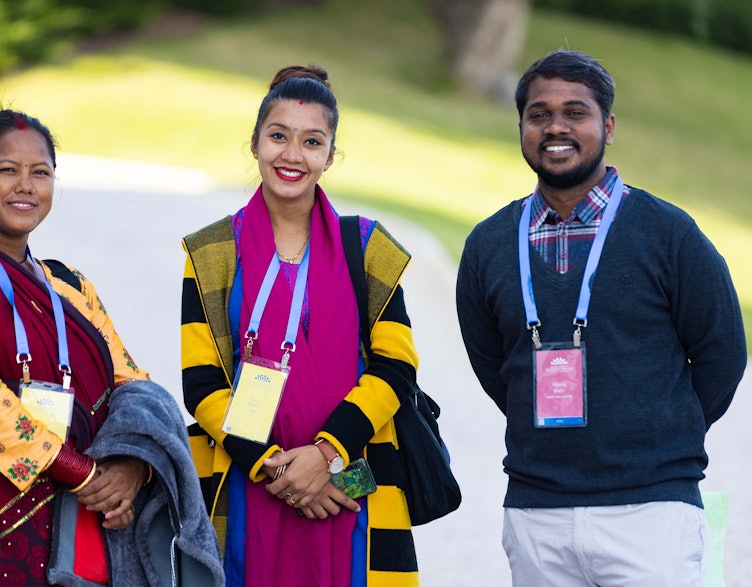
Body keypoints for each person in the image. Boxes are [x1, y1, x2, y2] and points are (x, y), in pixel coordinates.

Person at [455, 49, 747, 586]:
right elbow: (496, 367)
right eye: (538, 114)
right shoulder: (489, 245)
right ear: (520, 125)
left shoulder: (669, 233)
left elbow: (722, 352)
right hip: (535, 512)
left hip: (653, 510)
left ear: (607, 126)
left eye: (575, 112)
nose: (555, 127)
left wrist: (655, 427)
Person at [0, 107, 224, 586]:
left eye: (41, 173)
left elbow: (131, 382)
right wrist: (87, 474)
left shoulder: (69, 286)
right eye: (7, 170)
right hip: (2, 527)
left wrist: (132, 464)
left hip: (91, 528)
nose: (25, 186)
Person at [181, 64, 422, 586]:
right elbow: (201, 384)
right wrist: (279, 469)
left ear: (330, 155)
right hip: (248, 482)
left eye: (312, 141)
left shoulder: (368, 248)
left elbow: (397, 366)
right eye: (278, 136)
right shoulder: (212, 253)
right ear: (254, 143)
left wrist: (325, 456)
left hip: (352, 484)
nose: (292, 155)